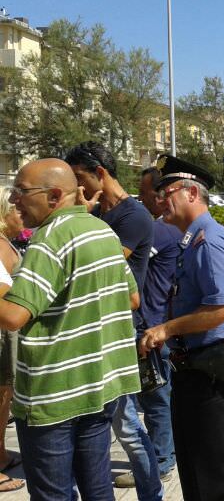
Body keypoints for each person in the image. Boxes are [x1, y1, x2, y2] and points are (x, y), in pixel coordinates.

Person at [0, 159, 141, 499]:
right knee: (97, 489)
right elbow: (132, 298)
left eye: (21, 192)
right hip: (99, 386)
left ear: (54, 195)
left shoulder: (49, 239)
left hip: (53, 396)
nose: (15, 200)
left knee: (54, 494)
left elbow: (13, 317)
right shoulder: (101, 230)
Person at [138, 155, 224, 501]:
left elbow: (221, 309)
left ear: (190, 193)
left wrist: (166, 329)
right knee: (197, 470)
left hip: (210, 370)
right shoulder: (195, 239)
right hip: (196, 367)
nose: (159, 201)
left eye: (166, 192)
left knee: (215, 477)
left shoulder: (208, 241)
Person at [64, 141, 163, 500]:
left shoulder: (131, 215)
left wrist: (77, 215)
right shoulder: (98, 212)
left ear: (100, 173)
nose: (76, 187)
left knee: (126, 426)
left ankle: (152, 493)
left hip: (120, 328)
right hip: (96, 326)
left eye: (79, 178)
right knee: (109, 423)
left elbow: (96, 265)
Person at [127, 167, 184, 484]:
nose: (140, 197)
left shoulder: (159, 231)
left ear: (161, 196)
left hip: (152, 324)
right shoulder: (173, 229)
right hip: (162, 323)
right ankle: (167, 452)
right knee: (160, 394)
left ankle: (161, 460)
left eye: (144, 192)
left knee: (155, 397)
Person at [0, 188, 24, 493]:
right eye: (16, 209)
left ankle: (2, 454)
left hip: (6, 332)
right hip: (3, 332)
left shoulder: (7, 243)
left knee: (4, 395)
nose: (22, 214)